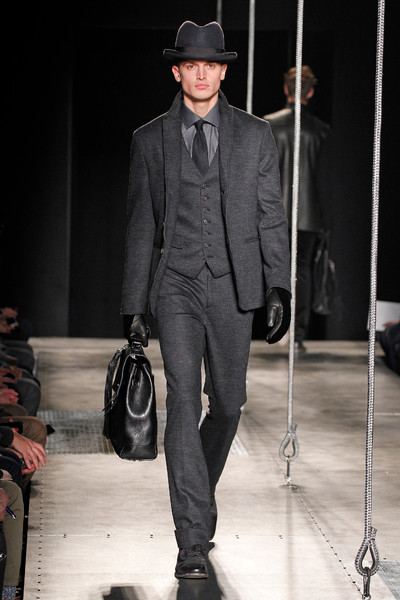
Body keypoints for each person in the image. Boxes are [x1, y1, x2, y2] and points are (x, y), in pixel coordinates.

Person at [121, 21, 291, 579]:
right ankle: (191, 537)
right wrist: (133, 305)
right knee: (183, 402)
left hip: (234, 285)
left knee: (229, 404)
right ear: (177, 71)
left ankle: (197, 495)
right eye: (191, 65)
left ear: (222, 71)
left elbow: (271, 214)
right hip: (175, 283)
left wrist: (278, 286)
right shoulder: (150, 139)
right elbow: (141, 226)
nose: (200, 73)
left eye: (210, 65)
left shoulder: (255, 135)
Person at [263, 66, 331, 352]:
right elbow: (325, 179)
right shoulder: (321, 130)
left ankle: (273, 327)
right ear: (311, 92)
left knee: (270, 268)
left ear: (285, 89)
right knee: (302, 272)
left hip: (273, 213)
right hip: (309, 215)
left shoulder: (268, 125)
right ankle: (297, 334)